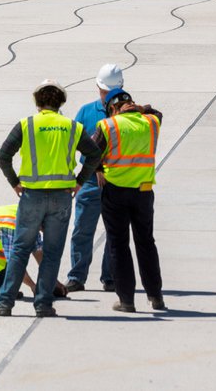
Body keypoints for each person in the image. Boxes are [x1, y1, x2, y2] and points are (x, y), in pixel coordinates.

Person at [0, 81, 103, 318]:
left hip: (31, 196)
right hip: (62, 197)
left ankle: (4, 303)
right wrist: (80, 181)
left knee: (21, 249)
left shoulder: (27, 125)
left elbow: (4, 156)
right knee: (52, 252)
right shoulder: (71, 126)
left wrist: (14, 182)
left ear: (37, 101)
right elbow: (94, 153)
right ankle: (43, 304)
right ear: (61, 102)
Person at [95, 88, 165, 313]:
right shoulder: (151, 122)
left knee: (118, 245)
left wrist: (98, 169)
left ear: (113, 108)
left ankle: (126, 300)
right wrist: (141, 108)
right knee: (146, 243)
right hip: (143, 192)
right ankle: (156, 297)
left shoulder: (109, 126)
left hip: (115, 191)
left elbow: (91, 152)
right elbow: (158, 113)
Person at [64, 64, 121, 294]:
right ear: (98, 87)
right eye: (104, 91)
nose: (107, 96)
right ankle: (77, 277)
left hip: (117, 181)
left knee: (114, 232)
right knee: (82, 230)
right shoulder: (86, 112)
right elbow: (74, 143)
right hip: (89, 182)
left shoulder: (128, 113)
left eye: (111, 92)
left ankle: (110, 277)